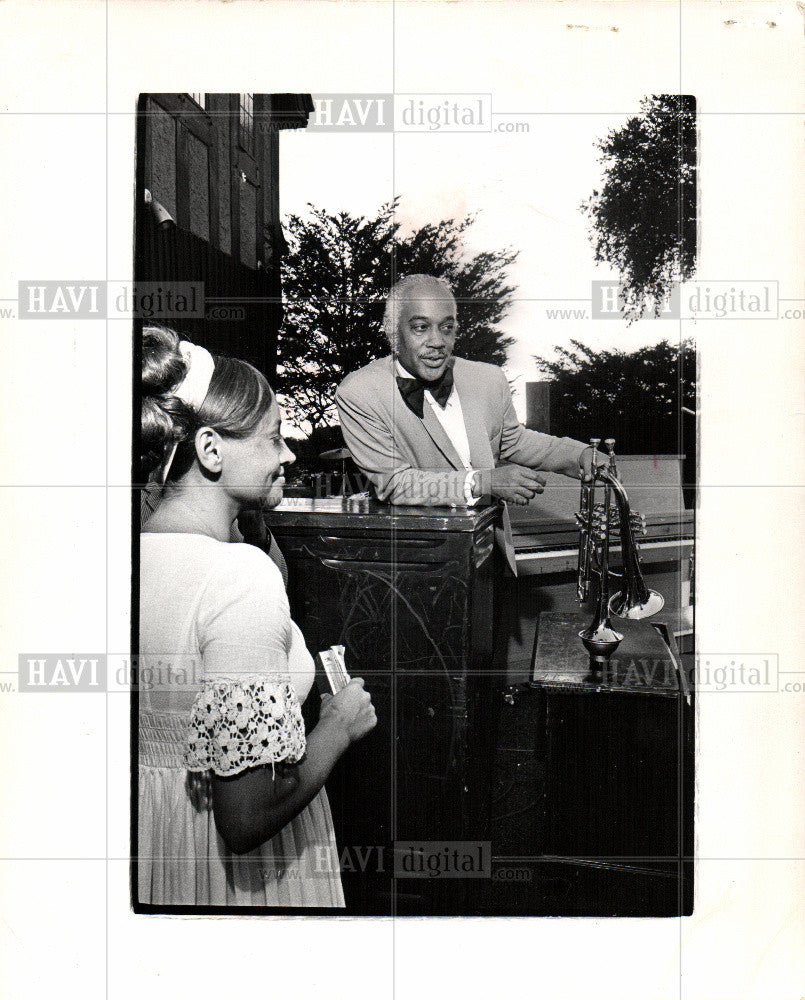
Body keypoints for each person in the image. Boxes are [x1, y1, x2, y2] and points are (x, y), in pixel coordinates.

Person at [138, 325, 376, 906]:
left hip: (154, 846)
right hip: (236, 878)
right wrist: (337, 727)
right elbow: (245, 818)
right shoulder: (239, 578)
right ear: (211, 449)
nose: (289, 454)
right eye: (273, 439)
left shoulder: (127, 553)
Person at [335, 274, 603, 510]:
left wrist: (579, 456)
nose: (437, 342)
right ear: (392, 331)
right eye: (420, 327)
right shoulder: (360, 392)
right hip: (418, 557)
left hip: (491, 548)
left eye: (447, 327)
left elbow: (513, 441)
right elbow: (394, 483)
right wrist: (482, 481)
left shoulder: (487, 378)